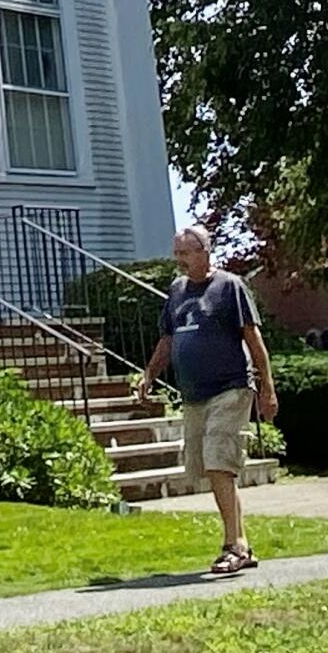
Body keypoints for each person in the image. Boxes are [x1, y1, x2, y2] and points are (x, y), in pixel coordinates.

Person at [134, 227, 279, 575]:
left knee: (218, 462)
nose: (180, 260)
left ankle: (234, 546)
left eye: (185, 253)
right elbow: (168, 338)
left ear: (205, 252)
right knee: (209, 470)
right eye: (177, 253)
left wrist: (268, 388)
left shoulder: (229, 287)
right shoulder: (177, 291)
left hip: (230, 388)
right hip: (194, 395)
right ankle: (241, 543)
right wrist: (148, 375)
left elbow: (252, 338)